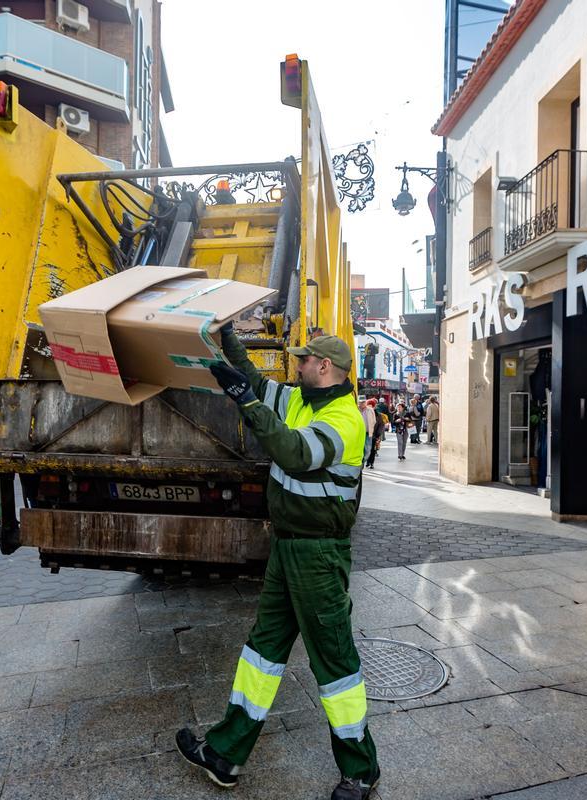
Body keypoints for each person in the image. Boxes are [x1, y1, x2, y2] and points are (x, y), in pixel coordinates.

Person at [177, 326, 380, 800]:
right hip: (289, 548)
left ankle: (362, 771)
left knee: (334, 663)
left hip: (318, 555)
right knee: (263, 650)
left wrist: (247, 402)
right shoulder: (301, 400)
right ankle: (225, 753)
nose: (297, 366)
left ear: (324, 367)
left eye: (304, 361)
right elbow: (253, 379)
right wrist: (226, 339)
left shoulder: (345, 420)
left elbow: (291, 453)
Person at [365, 398, 384, 469]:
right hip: (365, 434)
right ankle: (367, 461)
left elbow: (381, 424)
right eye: (368, 406)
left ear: (374, 406)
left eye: (371, 406)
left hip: (374, 435)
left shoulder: (378, 415)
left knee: (372, 449)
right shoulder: (364, 413)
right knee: (367, 449)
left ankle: (371, 463)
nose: (369, 408)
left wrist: (378, 434)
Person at [358, 398, 376, 471]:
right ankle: (359, 464)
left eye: (363, 402)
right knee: (359, 449)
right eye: (361, 402)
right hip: (358, 433)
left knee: (367, 450)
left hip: (368, 433)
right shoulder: (356, 410)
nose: (362, 404)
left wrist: (371, 428)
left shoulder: (370, 410)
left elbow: (374, 421)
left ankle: (362, 462)